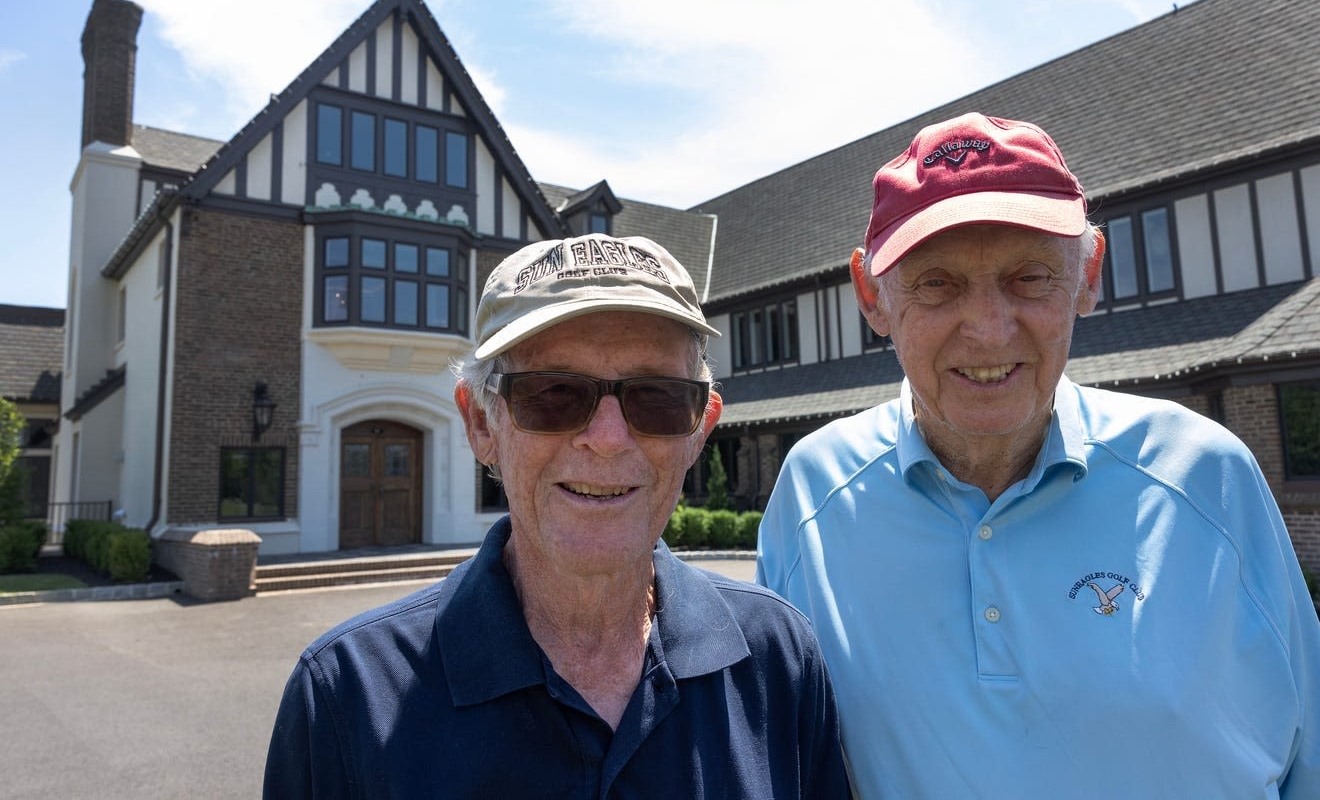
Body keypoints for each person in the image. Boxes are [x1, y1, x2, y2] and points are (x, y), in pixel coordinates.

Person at [757, 112, 1320, 798]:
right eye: (938, 282)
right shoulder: (814, 491)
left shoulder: (1206, 473)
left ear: (1089, 275)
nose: (990, 331)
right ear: (872, 295)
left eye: (1029, 277)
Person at [265, 233, 850, 798]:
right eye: (553, 394)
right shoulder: (347, 695)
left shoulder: (780, 660)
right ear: (480, 424)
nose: (608, 438)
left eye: (657, 397)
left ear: (701, 430)